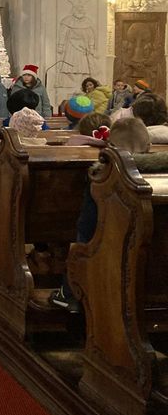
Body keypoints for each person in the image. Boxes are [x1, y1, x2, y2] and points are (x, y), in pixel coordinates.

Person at [49, 117, 151, 312]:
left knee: (83, 243)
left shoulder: (103, 177)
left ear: (110, 147)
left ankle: (69, 295)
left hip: (107, 257)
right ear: (149, 146)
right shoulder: (158, 172)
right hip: (152, 264)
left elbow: (87, 225)